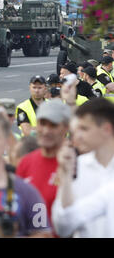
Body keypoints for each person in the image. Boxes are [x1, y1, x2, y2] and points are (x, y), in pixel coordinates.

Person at [52, 98, 114, 237]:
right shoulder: (75, 167)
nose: (77, 137)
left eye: (84, 129)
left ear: (106, 129)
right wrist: (66, 179)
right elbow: (62, 227)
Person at [16, 99, 71, 225]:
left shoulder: (75, 164)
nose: (46, 131)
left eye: (53, 125)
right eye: (42, 124)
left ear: (65, 128)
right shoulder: (26, 163)